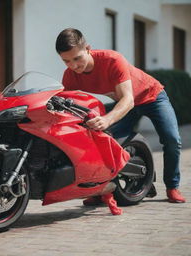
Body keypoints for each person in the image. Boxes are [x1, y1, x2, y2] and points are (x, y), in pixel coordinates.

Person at [55, 28, 186, 204]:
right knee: (102, 142)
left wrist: (107, 119)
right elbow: (66, 107)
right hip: (124, 104)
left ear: (88, 48)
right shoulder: (70, 76)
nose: (73, 66)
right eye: (66, 61)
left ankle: (172, 186)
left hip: (151, 97)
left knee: (172, 139)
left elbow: (128, 100)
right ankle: (100, 189)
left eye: (77, 58)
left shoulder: (112, 60)